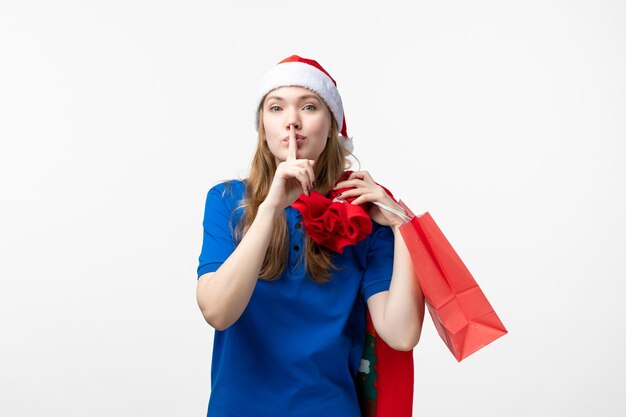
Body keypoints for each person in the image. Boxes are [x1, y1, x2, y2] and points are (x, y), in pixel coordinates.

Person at [196, 55, 425, 417]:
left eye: (309, 106)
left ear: (331, 124)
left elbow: (401, 334)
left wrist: (402, 225)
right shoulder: (228, 201)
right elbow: (218, 311)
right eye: (276, 107)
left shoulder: (362, 213)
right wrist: (271, 206)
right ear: (262, 126)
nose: (292, 121)